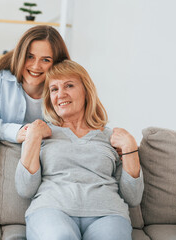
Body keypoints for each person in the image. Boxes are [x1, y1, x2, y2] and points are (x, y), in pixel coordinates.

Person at [15, 60, 144, 240]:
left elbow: (133, 197)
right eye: (54, 89)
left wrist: (130, 147)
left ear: (86, 91)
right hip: (52, 209)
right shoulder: (43, 133)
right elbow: (25, 189)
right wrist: (33, 137)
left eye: (69, 85)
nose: (61, 94)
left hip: (108, 213)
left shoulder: (112, 138)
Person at [0, 25, 70, 143]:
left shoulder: (64, 90)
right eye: (30, 57)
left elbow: (72, 126)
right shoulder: (1, 80)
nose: (35, 66)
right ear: (20, 56)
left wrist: (46, 131)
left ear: (57, 63)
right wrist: (17, 132)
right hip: (4, 144)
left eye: (46, 60)